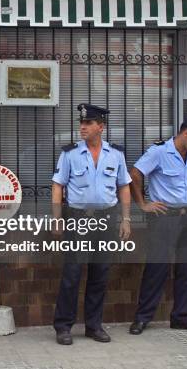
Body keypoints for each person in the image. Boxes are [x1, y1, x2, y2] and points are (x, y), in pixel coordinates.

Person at [51, 103, 132, 345]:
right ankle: (63, 326)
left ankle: (93, 326)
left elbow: (124, 186)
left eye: (88, 123)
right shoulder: (70, 153)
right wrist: (56, 219)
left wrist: (125, 219)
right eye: (81, 123)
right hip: (78, 219)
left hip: (106, 219)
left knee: (100, 273)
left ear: (101, 127)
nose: (83, 127)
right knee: (72, 274)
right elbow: (58, 186)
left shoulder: (116, 154)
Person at [129, 115, 187, 335]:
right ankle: (142, 318)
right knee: (157, 268)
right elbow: (135, 174)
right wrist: (143, 204)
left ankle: (182, 317)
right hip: (163, 218)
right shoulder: (159, 152)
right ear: (186, 133)